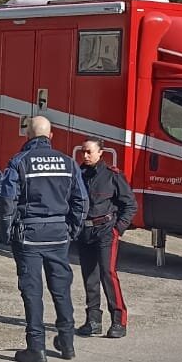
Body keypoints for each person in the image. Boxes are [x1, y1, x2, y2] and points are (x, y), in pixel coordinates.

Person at [0, 116, 88, 362]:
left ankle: (36, 348)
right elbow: (81, 201)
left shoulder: (19, 162)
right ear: (51, 135)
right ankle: (67, 342)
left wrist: (5, 232)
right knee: (61, 289)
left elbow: (7, 202)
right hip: (59, 233)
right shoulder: (68, 162)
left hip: (29, 235)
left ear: (27, 135)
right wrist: (71, 229)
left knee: (32, 292)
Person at [74, 141, 137, 339]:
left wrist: (118, 229)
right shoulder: (78, 175)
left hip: (106, 230)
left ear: (100, 153)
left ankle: (119, 320)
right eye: (83, 152)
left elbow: (130, 205)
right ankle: (93, 320)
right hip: (85, 232)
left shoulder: (112, 175)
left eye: (89, 152)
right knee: (89, 276)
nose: (85, 156)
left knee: (108, 274)